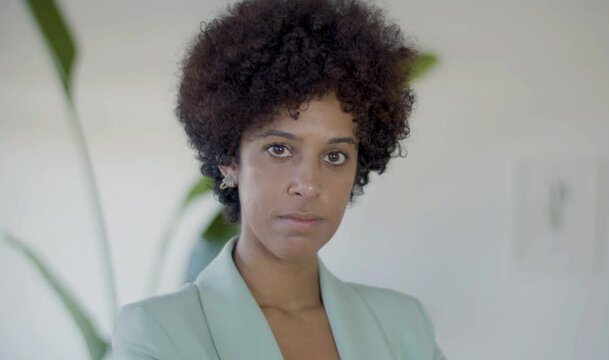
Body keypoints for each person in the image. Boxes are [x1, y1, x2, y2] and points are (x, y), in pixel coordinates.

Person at [112, 0, 446, 358]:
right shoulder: (159, 332)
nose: (309, 185)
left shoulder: (403, 326)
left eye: (334, 156)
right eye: (279, 150)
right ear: (229, 160)